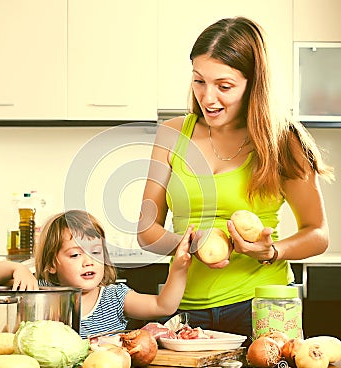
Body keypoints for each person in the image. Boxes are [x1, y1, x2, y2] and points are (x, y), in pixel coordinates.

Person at [137, 16, 334, 340]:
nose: (208, 97)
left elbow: (318, 233)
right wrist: (188, 247)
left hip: (263, 305)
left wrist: (271, 252)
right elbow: (147, 229)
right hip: (187, 306)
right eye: (199, 81)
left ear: (254, 84)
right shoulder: (171, 134)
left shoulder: (284, 142)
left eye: (224, 86)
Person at [0, 210, 193, 338]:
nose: (88, 261)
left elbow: (163, 305)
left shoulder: (115, 297)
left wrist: (179, 268)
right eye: (75, 255)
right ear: (52, 265)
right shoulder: (41, 289)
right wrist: (18, 269)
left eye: (95, 252)